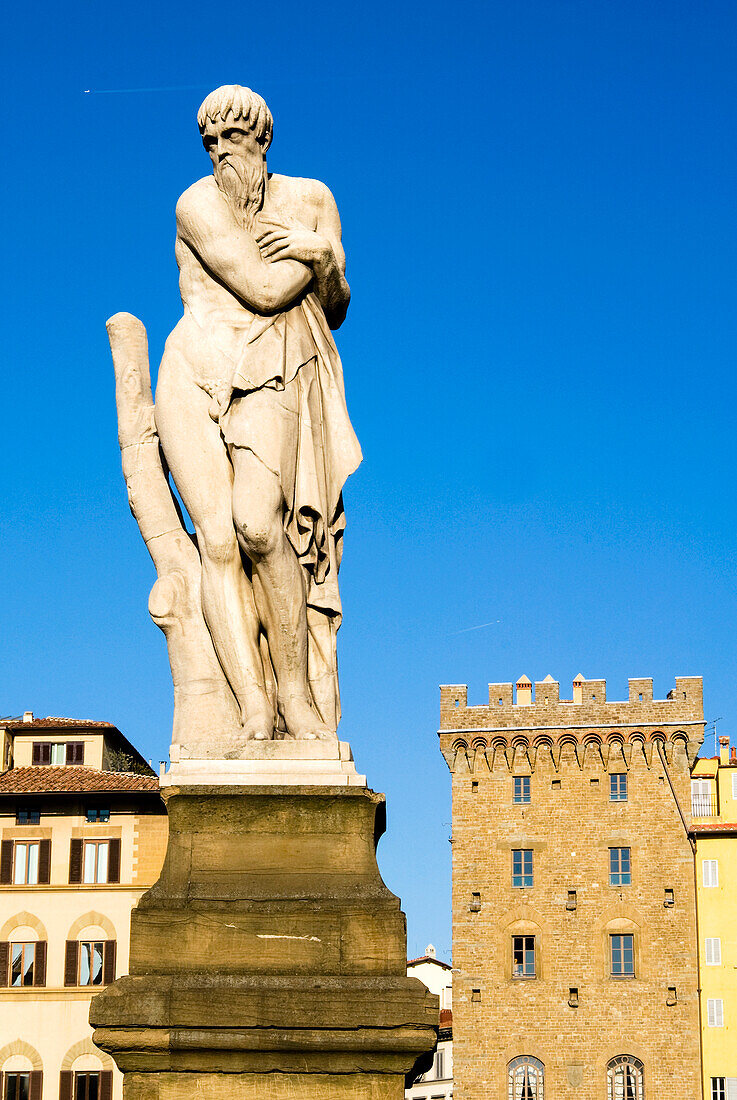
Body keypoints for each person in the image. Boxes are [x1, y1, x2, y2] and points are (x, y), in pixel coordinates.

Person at [154, 84, 362, 741]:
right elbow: (264, 287)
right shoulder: (197, 202)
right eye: (209, 141)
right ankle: (251, 707)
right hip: (193, 371)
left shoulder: (311, 198)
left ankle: (295, 699)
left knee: (259, 528)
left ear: (261, 140)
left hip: (270, 372)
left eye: (231, 139)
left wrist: (322, 253)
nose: (219, 152)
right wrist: (318, 252)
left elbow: (335, 304)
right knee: (217, 539)